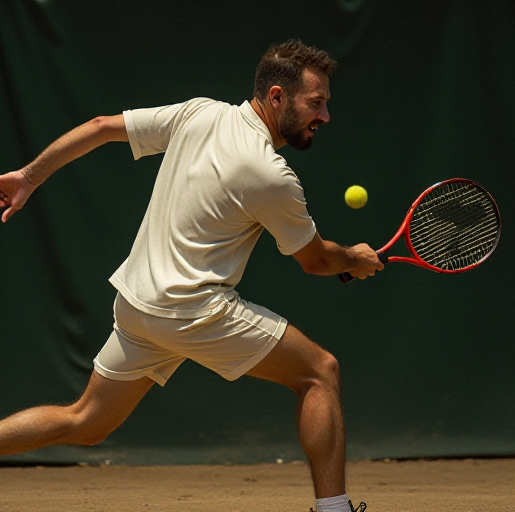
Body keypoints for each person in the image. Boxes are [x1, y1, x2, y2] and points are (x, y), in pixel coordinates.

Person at [0, 40, 381, 512]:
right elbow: (317, 260)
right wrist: (355, 259)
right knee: (320, 373)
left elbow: (100, 128)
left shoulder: (199, 112)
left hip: (138, 305)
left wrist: (30, 176)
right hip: (192, 309)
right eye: (316, 103)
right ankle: (335, 509)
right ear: (278, 96)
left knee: (85, 422)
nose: (324, 116)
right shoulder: (270, 173)